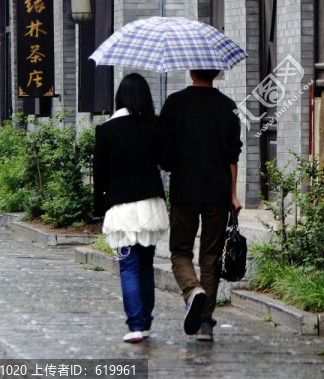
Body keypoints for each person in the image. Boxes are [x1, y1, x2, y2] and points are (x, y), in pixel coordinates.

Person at [159, 68, 243, 342]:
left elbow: (166, 157)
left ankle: (192, 290)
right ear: (217, 72)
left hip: (185, 190)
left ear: (191, 70)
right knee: (210, 256)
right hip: (218, 192)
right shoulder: (228, 106)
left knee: (180, 251)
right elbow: (233, 155)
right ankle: (205, 324)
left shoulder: (174, 103)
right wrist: (233, 194)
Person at [93, 73, 169, 344]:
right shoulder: (154, 125)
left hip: (120, 208)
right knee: (146, 265)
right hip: (150, 206)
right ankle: (145, 323)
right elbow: (167, 162)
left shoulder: (105, 131)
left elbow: (99, 176)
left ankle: (135, 325)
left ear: (119, 97)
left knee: (128, 266)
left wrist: (97, 209)